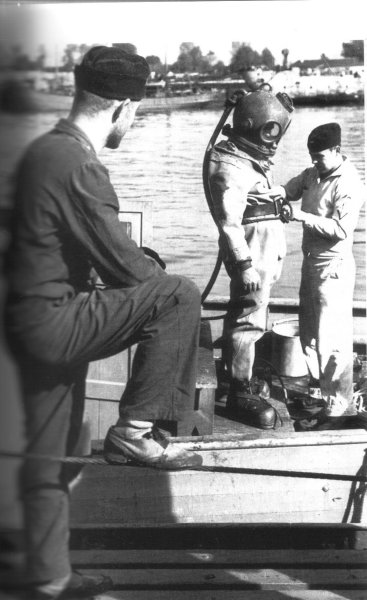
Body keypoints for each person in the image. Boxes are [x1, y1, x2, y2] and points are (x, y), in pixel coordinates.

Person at [4, 46, 202, 599]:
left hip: (27, 327)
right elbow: (128, 271)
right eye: (135, 113)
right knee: (180, 297)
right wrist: (156, 271)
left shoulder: (44, 150)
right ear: (122, 109)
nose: (133, 123)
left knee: (53, 455)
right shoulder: (80, 165)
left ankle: (49, 579)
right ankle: (135, 432)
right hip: (53, 323)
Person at [206, 89, 294, 429]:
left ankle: (238, 377)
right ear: (250, 125)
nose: (273, 142)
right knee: (248, 319)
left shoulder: (245, 158)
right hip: (252, 253)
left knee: (252, 315)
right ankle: (239, 391)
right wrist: (243, 265)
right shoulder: (229, 165)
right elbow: (229, 224)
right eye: (269, 133)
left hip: (262, 250)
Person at [273, 122, 365, 429]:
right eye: (311, 155)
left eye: (320, 156)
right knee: (311, 336)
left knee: (333, 341)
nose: (314, 161)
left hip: (334, 269)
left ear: (337, 151)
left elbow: (341, 230)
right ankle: (322, 394)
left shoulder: (349, 183)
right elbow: (289, 189)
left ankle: (340, 410)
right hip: (311, 265)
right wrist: (272, 192)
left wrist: (300, 215)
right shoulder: (314, 173)